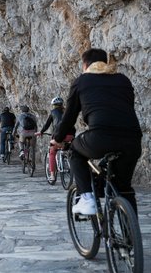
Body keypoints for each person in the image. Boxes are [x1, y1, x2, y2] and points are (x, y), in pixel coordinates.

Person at [51, 48, 142, 215]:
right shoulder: (123, 80)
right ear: (105, 63)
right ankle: (130, 238)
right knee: (124, 188)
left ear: (85, 65)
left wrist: (58, 138)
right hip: (132, 139)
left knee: (74, 151)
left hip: (100, 136)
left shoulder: (82, 81)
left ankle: (86, 198)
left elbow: (69, 117)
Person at [35, 97, 76, 181]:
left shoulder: (53, 112)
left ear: (53, 106)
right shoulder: (67, 112)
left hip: (58, 136)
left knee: (52, 153)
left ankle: (53, 175)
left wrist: (41, 132)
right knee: (69, 149)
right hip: (70, 136)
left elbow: (47, 124)